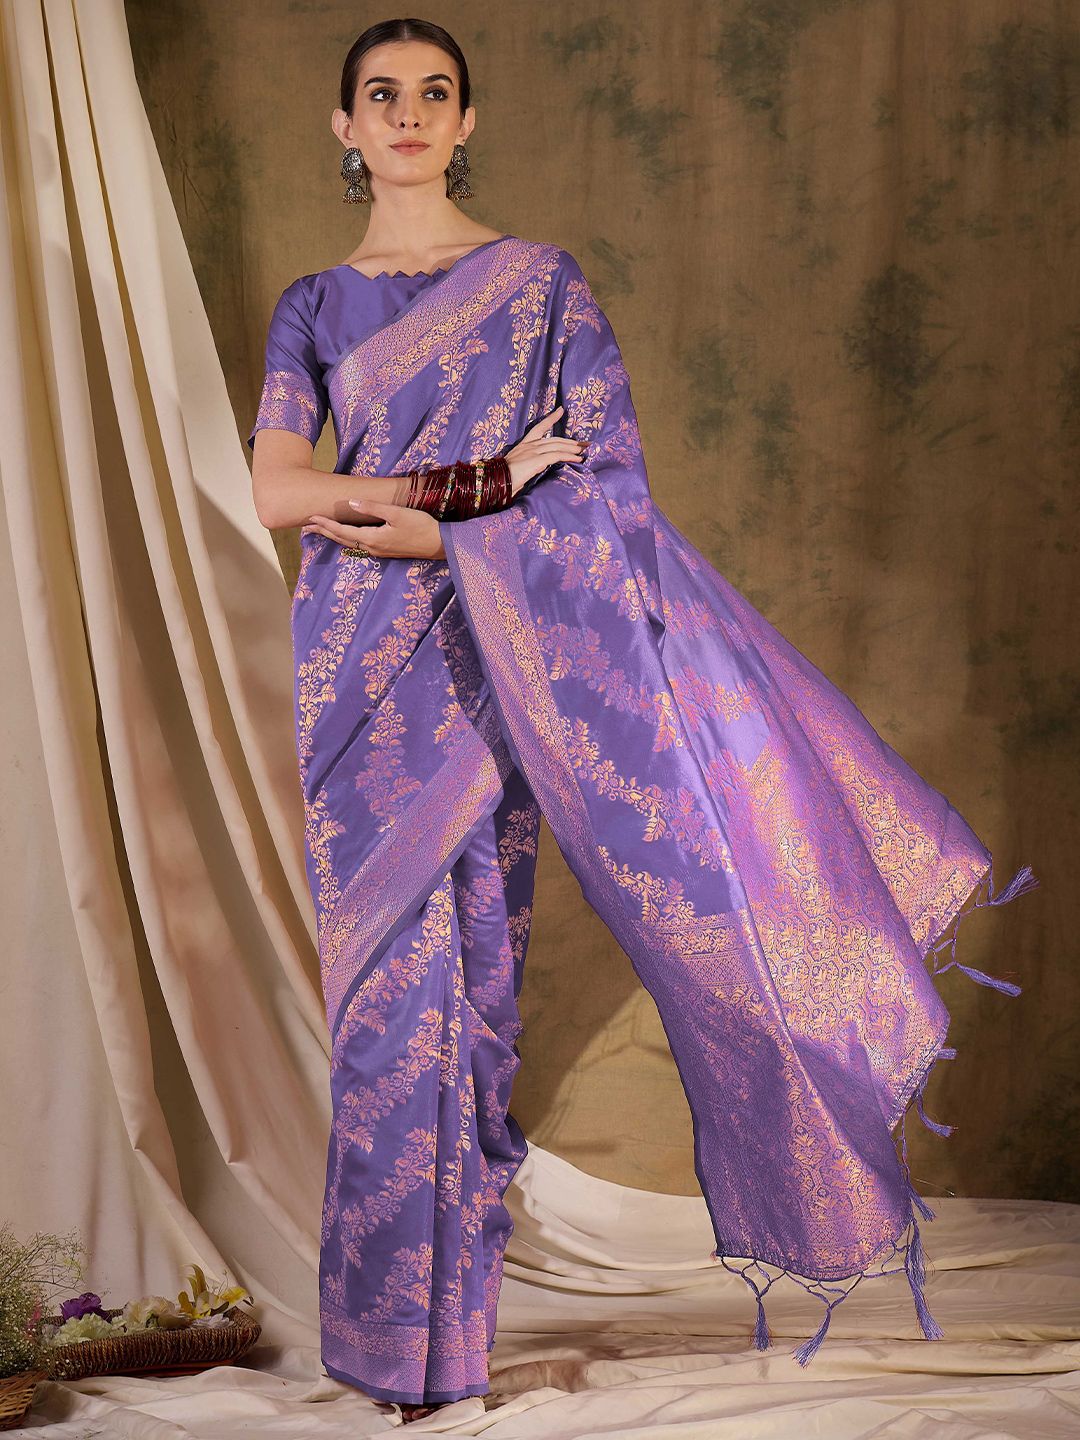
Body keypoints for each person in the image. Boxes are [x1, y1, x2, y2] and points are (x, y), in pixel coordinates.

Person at [247, 16, 1038, 1423]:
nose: (409, 114)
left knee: (471, 995)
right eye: (382, 95)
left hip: (498, 662)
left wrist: (437, 532)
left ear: (466, 121)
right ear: (345, 127)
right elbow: (279, 492)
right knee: (379, 1010)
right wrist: (483, 486)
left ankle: (448, 1355)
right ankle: (380, 1351)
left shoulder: (542, 288)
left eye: (435, 92)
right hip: (355, 675)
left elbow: (606, 497)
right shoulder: (313, 307)